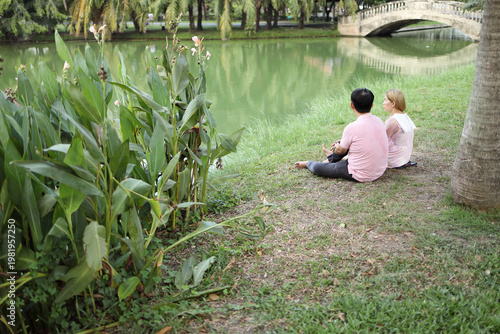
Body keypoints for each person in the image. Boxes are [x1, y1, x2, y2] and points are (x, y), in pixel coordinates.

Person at [294, 88, 388, 182]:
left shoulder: (351, 128)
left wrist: (337, 147)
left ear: (352, 105)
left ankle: (308, 163)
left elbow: (340, 151)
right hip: (379, 170)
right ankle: (331, 157)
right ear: (372, 105)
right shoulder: (378, 120)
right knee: (346, 144)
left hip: (360, 173)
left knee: (319, 168)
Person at [382, 89, 417, 169]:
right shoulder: (404, 116)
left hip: (395, 158)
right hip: (404, 156)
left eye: (385, 100)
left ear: (393, 103)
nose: (383, 103)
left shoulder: (393, 121)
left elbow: (381, 139)